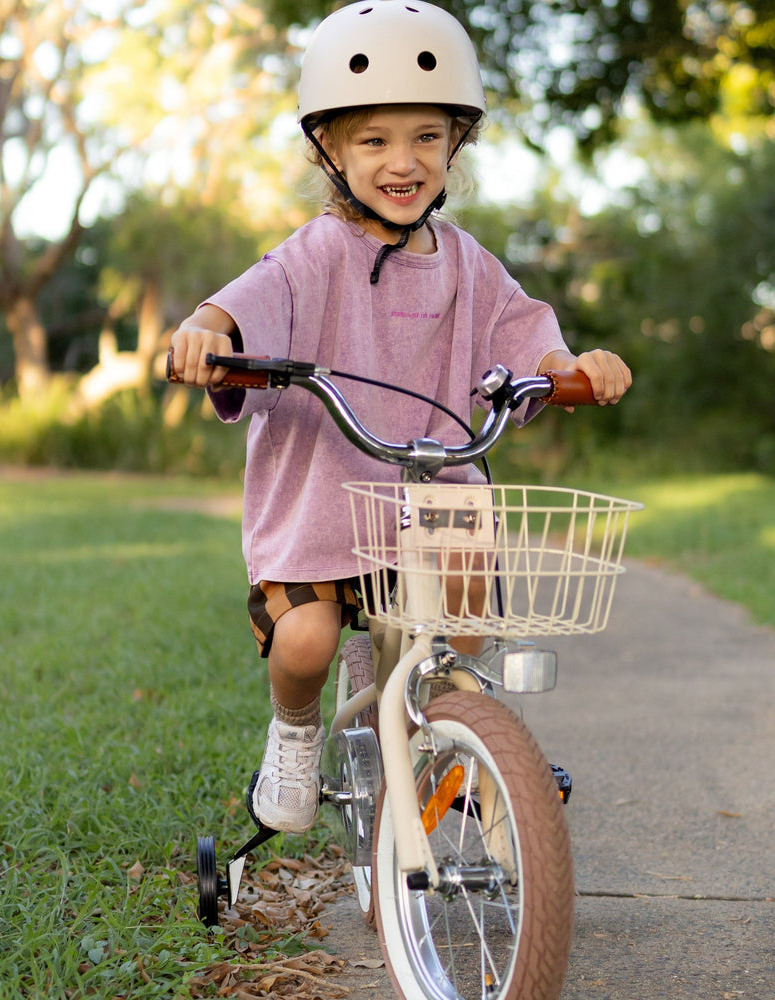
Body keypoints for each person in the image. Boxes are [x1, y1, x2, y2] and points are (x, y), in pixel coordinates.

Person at [169, 0, 631, 835]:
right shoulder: (315, 254)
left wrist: (572, 370)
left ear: (456, 144)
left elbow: (526, 333)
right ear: (332, 150)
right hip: (321, 493)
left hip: (434, 491)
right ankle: (296, 732)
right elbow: (251, 299)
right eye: (374, 139)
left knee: (461, 633)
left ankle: (458, 749)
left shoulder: (469, 264)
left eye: (426, 135)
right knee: (305, 641)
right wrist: (209, 332)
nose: (402, 160)